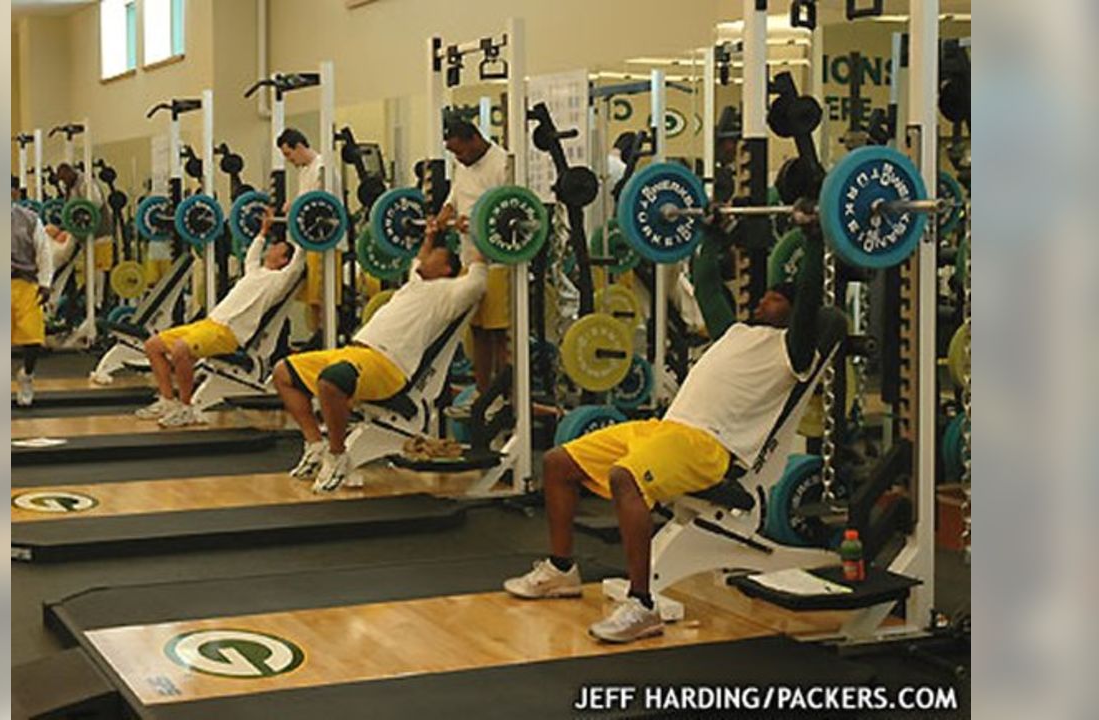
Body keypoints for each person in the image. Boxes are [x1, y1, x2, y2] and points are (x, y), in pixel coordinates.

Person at [502, 205, 826, 644]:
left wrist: (812, 239)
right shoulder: (734, 332)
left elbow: (809, 303)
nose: (763, 301)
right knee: (559, 463)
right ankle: (562, 570)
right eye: (765, 295)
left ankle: (643, 606)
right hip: (664, 427)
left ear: (790, 312)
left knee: (625, 479)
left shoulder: (793, 352)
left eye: (775, 299)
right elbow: (709, 285)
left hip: (708, 447)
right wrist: (712, 235)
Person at [274, 229, 486, 491]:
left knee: (332, 382)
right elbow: (418, 258)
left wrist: (476, 236)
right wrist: (430, 235)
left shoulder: (452, 293)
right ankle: (315, 444)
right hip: (355, 351)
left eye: (434, 256)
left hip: (387, 365)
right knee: (283, 372)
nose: (425, 258)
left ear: (445, 268)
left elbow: (477, 281)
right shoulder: (415, 283)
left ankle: (338, 455)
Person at [136, 208, 305, 427]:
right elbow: (254, 251)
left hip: (228, 333)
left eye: (276, 248)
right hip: (208, 324)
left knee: (180, 350)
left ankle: (186, 408)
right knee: (152, 345)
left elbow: (297, 264)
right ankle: (168, 401)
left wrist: (300, 233)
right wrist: (264, 230)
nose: (270, 248)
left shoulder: (279, 281)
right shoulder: (254, 270)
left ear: (283, 260)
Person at [432, 119, 510, 395]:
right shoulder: (462, 164)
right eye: (453, 153)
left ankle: (506, 396)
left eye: (460, 151)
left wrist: (478, 224)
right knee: (476, 331)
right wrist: (446, 212)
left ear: (475, 138)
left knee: (499, 334)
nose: (458, 158)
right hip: (469, 259)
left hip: (498, 262)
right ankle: (483, 393)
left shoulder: (502, 164)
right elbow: (456, 196)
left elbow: (510, 210)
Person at [276, 128, 336, 340]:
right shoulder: (304, 170)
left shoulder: (322, 167)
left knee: (323, 299)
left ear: (299, 147)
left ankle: (327, 339)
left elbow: (320, 204)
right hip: (307, 241)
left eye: (288, 154)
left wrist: (295, 205)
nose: (289, 160)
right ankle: (318, 338)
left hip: (325, 242)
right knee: (312, 300)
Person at [11, 188, 62, 407]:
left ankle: (27, 376)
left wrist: (45, 283)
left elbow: (44, 252)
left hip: (26, 284)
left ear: (13, 193)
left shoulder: (30, 220)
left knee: (33, 340)